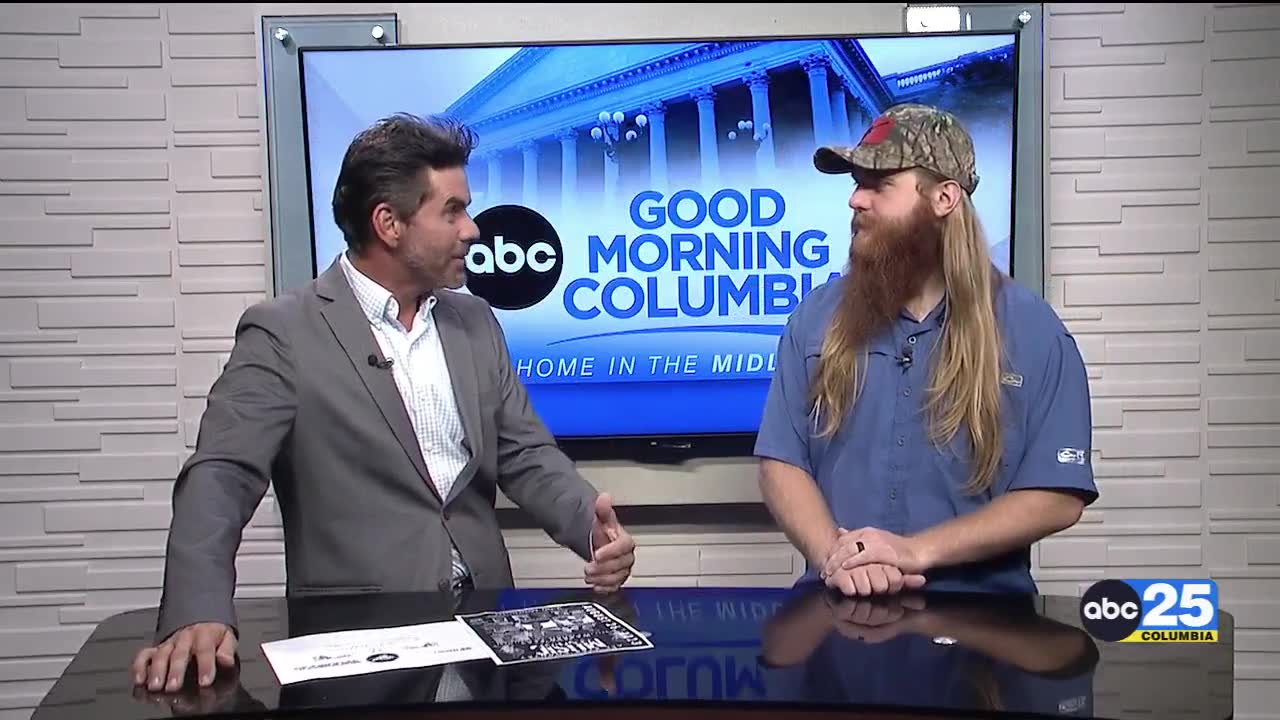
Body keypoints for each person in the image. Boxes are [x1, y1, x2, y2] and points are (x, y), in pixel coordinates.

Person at [131, 113, 637, 693]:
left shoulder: (474, 320)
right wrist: (197, 608)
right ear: (389, 224)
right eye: (452, 211)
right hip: (358, 645)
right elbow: (221, 474)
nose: (472, 230)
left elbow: (524, 452)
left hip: (482, 638)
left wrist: (591, 528)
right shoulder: (283, 332)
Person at [753, 103, 1097, 598]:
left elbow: (1058, 494)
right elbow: (781, 463)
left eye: (879, 184)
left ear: (944, 198)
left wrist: (915, 551)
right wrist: (835, 557)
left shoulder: (1033, 330)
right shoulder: (815, 320)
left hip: (983, 621)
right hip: (839, 608)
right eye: (857, 183)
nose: (856, 199)